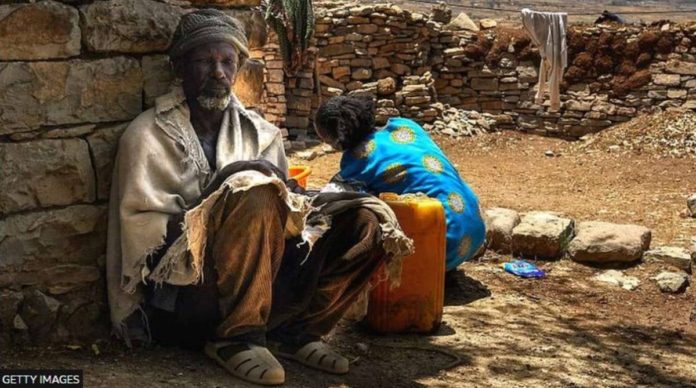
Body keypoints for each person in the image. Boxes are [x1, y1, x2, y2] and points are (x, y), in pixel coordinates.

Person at [106, 9, 410, 386]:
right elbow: (142, 239)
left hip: (264, 278)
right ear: (179, 67)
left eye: (227, 61)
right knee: (253, 189)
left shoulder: (262, 133)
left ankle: (298, 332)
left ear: (238, 68)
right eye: (204, 60)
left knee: (367, 219)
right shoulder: (146, 136)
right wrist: (224, 200)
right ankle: (236, 337)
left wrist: (305, 206)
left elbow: (284, 216)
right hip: (186, 296)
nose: (218, 71)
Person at [314, 96, 486, 273]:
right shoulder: (406, 126)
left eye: (327, 140)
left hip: (445, 245)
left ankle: (432, 268)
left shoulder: (357, 159)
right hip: (475, 231)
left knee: (362, 217)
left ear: (338, 138)